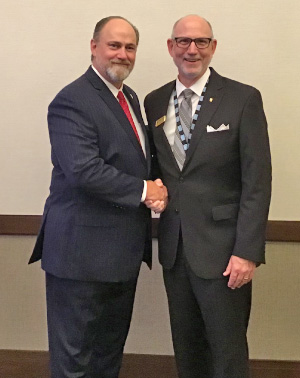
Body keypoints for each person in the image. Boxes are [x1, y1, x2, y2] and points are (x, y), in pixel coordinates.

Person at [29, 16, 167, 378]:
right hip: (80, 256)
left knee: (108, 355)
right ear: (93, 47)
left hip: (120, 255)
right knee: (74, 359)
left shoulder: (129, 97)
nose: (122, 54)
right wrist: (145, 191)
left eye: (130, 47)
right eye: (114, 45)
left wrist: (157, 187)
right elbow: (83, 170)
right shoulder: (72, 100)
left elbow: (134, 159)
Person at [144, 14, 271, 378]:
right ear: (171, 47)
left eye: (201, 42)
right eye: (183, 41)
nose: (192, 49)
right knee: (187, 351)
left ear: (213, 47)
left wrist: (247, 251)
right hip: (175, 250)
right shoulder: (154, 102)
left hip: (225, 254)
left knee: (227, 351)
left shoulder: (242, 98)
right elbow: (156, 170)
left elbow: (257, 181)